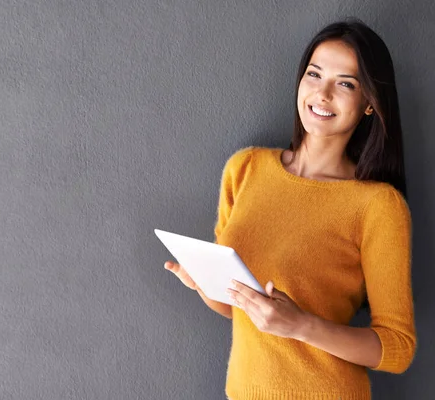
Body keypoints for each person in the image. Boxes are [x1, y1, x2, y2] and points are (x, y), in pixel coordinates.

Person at [165, 19, 416, 400]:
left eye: (345, 83)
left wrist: (301, 326)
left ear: (369, 103)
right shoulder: (246, 168)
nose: (323, 93)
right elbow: (238, 309)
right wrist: (202, 282)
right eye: (314, 74)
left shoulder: (378, 205)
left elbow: (398, 349)